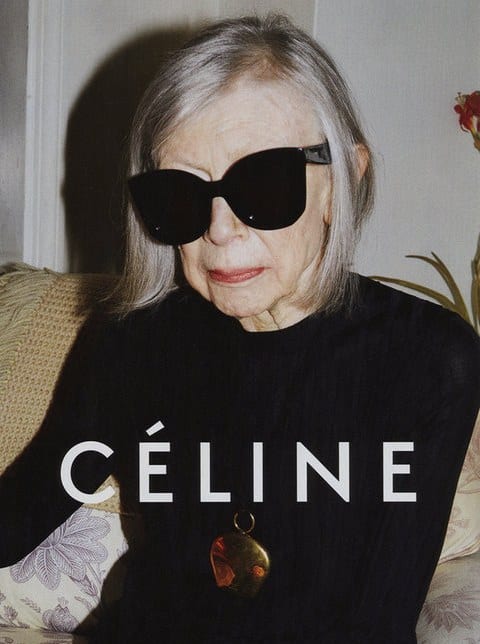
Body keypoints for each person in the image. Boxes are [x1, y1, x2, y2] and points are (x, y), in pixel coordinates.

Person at [1, 14, 479, 643]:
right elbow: (21, 514)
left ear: (342, 180)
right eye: (180, 193)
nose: (219, 230)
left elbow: (378, 617)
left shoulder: (429, 358)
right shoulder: (131, 343)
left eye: (264, 183)